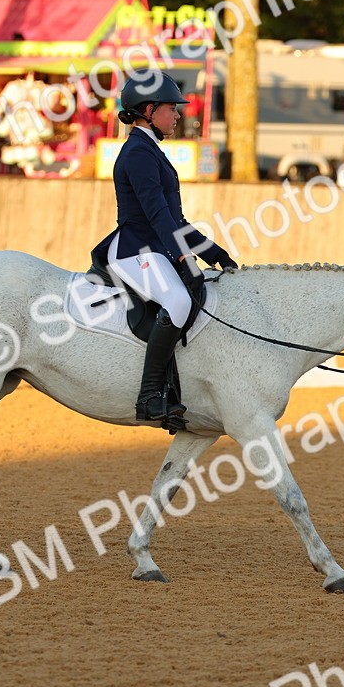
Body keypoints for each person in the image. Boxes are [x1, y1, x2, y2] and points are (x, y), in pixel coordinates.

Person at [91, 70, 238, 426]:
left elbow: (175, 219)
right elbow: (157, 215)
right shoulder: (138, 154)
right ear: (149, 110)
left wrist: (214, 253)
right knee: (179, 301)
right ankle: (149, 397)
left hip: (155, 246)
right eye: (171, 108)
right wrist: (184, 257)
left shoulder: (150, 150)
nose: (177, 114)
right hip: (135, 250)